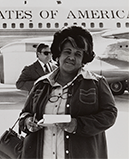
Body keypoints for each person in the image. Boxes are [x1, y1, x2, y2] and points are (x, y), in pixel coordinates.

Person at [18, 26, 117, 159]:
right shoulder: (41, 84)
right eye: (67, 52)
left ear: (83, 60)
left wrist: (78, 125)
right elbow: (24, 114)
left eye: (78, 54)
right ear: (58, 55)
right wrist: (28, 122)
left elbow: (109, 115)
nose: (71, 57)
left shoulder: (96, 83)